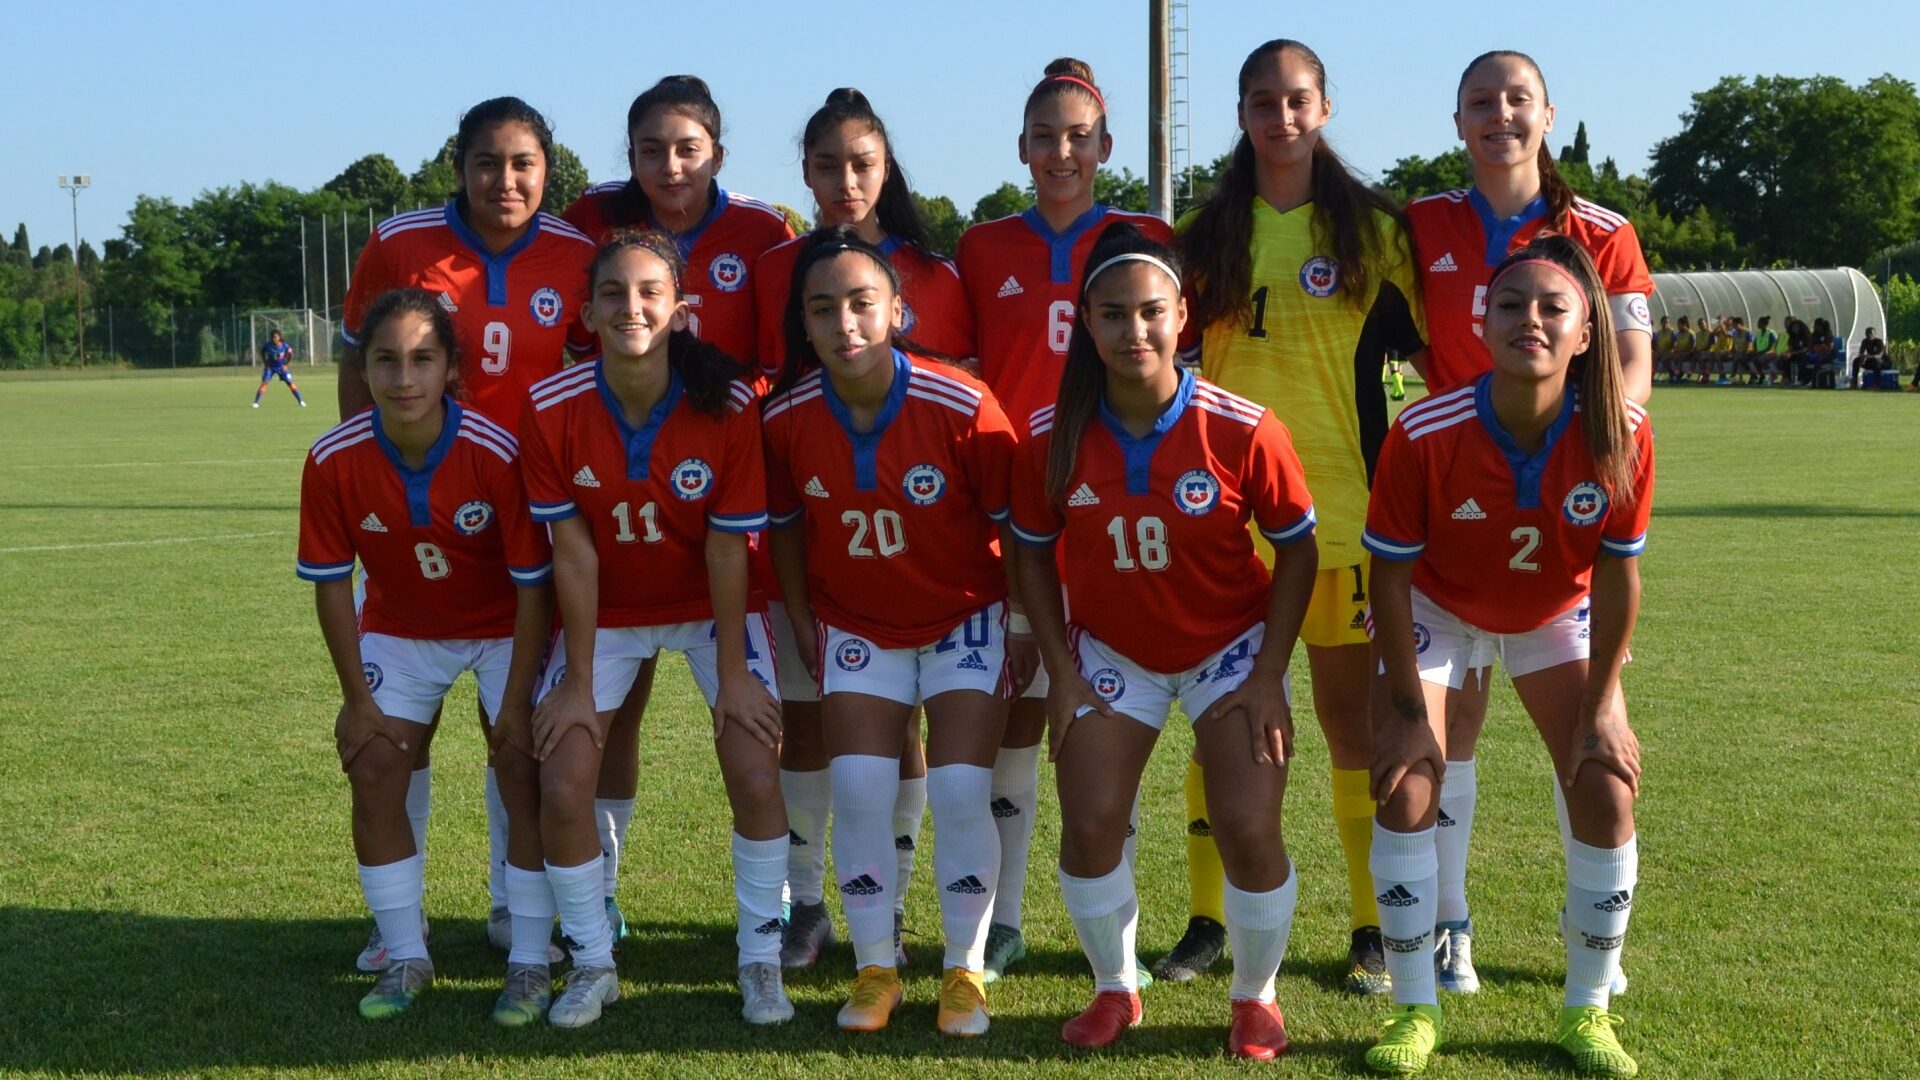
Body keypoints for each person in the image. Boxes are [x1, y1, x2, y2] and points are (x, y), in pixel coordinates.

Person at [1010, 223, 1319, 1057]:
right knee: (1091, 820)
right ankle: (1116, 987)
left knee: (1248, 825)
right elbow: (1030, 552)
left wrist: (1266, 676)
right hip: (1112, 652)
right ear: (1085, 322)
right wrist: (1063, 670)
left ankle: (1256, 996)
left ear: (1183, 316)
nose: (1134, 332)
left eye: (1151, 312)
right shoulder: (1050, 433)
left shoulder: (1244, 427)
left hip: (1229, 651)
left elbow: (1299, 548)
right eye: (1113, 315)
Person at [1360, 235, 1653, 1077]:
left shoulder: (1622, 431)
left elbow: (1617, 574)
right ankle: (1415, 1010)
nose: (1531, 319)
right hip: (1438, 610)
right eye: (1512, 305)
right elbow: (1389, 575)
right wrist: (1412, 713)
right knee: (1410, 784)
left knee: (1604, 783)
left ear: (1587, 332)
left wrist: (1602, 706)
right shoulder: (1424, 428)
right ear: (1481, 324)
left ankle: (1588, 1010)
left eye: (1552, 307)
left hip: (1555, 614)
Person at [1170, 38, 1427, 995]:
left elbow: (1441, 372)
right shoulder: (1201, 240)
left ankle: (1369, 929)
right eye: (1262, 102)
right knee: (1221, 728)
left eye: (1297, 100)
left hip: (1354, 521)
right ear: (1241, 115)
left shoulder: (1378, 234)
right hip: (1230, 527)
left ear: (1324, 109)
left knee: (1354, 732)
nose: (1281, 118)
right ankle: (1207, 920)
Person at [1404, 51, 1654, 994]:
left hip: (1561, 513)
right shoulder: (1419, 224)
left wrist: (1597, 452)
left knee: (1593, 743)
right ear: (1457, 119)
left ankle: (1588, 945)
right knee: (1447, 738)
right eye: (1481, 101)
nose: (1500, 114)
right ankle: (1447, 924)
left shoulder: (1602, 231)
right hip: (1454, 507)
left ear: (1548, 114)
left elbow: (1632, 368)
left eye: (1517, 100)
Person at [337, 96, 591, 970]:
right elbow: (354, 354)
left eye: (523, 163)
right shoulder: (401, 241)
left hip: (532, 528)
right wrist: (362, 477)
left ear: (546, 170)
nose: (505, 179)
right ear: (460, 167)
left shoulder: (575, 252)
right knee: (399, 736)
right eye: (488, 162)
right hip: (414, 518)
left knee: (511, 731)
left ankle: (507, 906)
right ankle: (395, 923)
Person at [518, 230, 789, 1028]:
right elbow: (571, 552)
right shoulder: (551, 407)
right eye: (612, 294)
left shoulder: (730, 403)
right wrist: (574, 678)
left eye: (648, 293)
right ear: (587, 310)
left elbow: (727, 549)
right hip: (608, 617)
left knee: (754, 770)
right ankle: (593, 961)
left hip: (712, 611)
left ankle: (761, 960)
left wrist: (735, 674)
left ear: (679, 309)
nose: (630, 307)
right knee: (562, 783)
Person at [761, 227, 1027, 1035]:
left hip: (963, 618)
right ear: (803, 326)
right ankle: (876, 966)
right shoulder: (788, 418)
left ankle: (964, 969)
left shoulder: (962, 402)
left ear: (896, 310)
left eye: (861, 303)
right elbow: (785, 528)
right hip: (859, 625)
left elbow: (1017, 523)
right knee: (861, 789)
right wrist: (805, 619)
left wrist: (1017, 622)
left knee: (955, 788)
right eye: (823, 309)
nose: (844, 323)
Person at [953, 57, 1176, 984]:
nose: (1061, 152)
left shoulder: (1147, 237)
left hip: (1116, 512)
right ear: (1021, 148)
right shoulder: (981, 247)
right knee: (1016, 712)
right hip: (1010, 516)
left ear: (1107, 147)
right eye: (1044, 136)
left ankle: (1107, 934)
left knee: (1100, 717)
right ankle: (1003, 921)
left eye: (1078, 136)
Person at [562, 77, 796, 930]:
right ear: (629, 156)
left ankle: (782, 914)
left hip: (723, 494)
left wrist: (710, 400)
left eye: (687, 147)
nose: (670, 164)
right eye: (652, 148)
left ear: (718, 154)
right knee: (608, 720)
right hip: (614, 500)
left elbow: (780, 361)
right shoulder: (589, 222)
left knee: (760, 721)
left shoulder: (764, 231)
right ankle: (601, 897)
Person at [755, 88, 975, 971]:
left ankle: (904, 900)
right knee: (808, 729)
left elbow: (964, 397)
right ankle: (807, 904)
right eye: (826, 165)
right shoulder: (778, 268)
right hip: (817, 533)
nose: (845, 181)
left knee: (911, 732)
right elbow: (759, 391)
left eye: (862, 163)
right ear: (803, 172)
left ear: (886, 166)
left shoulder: (936, 272)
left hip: (924, 546)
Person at [297, 288, 553, 1020]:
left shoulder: (495, 452)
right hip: (404, 630)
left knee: (520, 762)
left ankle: (531, 961)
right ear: (363, 370)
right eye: (386, 361)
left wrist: (512, 703)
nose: (404, 379)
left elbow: (534, 588)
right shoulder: (332, 458)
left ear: (450, 369)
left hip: (506, 626)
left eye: (422, 360)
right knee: (375, 762)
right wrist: (357, 698)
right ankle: (406, 954)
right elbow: (331, 585)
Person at [253, 329, 306, 407]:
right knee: (265, 382)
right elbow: (262, 352)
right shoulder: (268, 345)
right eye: (272, 337)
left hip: (281, 367)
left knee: (290, 383)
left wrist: (286, 364)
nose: (273, 339)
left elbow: (290, 354)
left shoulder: (285, 345)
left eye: (275, 337)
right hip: (270, 367)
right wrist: (265, 364)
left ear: (279, 337)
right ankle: (256, 402)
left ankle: (301, 401)